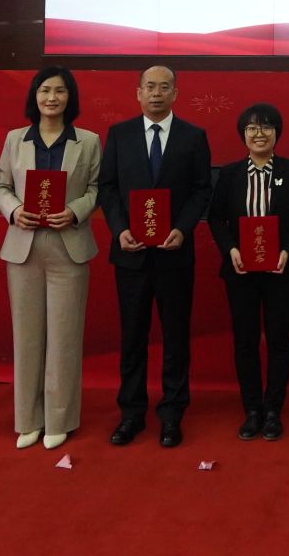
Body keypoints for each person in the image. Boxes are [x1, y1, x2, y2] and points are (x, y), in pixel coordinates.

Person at [95, 65, 214, 448]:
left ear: (175, 93)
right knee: (132, 337)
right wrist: (119, 229)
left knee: (175, 337)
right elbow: (107, 187)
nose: (157, 93)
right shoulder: (119, 134)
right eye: (150, 87)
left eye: (165, 87)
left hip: (174, 254)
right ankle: (131, 413)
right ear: (138, 92)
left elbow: (202, 190)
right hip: (130, 254)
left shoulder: (193, 136)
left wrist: (183, 228)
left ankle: (172, 413)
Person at [0, 66, 102, 450]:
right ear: (34, 96)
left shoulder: (88, 141)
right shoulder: (15, 139)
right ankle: (28, 419)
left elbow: (97, 188)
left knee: (64, 337)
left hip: (69, 245)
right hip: (24, 246)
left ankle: (59, 419)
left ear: (70, 98)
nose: (52, 98)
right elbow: (0, 185)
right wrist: (14, 209)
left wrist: (75, 210)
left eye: (60, 91)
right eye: (45, 90)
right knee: (27, 337)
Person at [205, 102, 289, 442]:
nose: (259, 133)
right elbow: (215, 217)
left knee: (279, 340)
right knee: (245, 340)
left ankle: (273, 410)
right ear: (243, 134)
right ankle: (252, 409)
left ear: (277, 132)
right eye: (252, 128)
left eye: (266, 127)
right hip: (241, 271)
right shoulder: (230, 174)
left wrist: (287, 250)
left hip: (281, 269)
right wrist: (231, 249)